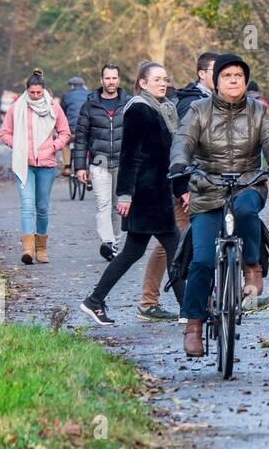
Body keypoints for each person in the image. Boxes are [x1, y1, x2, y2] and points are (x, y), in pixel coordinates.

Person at [170, 54, 269, 356]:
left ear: (246, 81)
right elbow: (183, 140)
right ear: (215, 81)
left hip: (247, 184)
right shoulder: (198, 110)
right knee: (201, 262)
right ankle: (194, 326)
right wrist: (180, 163)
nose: (233, 80)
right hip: (207, 189)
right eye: (227, 76)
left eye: (239, 75)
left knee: (247, 210)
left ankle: (252, 266)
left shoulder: (258, 112)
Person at [80, 62, 186, 325]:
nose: (163, 83)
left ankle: (94, 300)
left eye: (165, 78)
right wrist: (125, 194)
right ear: (142, 83)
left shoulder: (165, 108)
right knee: (174, 245)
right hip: (145, 194)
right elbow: (130, 154)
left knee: (134, 252)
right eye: (157, 79)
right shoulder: (139, 109)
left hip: (158, 191)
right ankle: (190, 310)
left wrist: (181, 187)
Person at [0, 69, 71, 264]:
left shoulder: (54, 107)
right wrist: (17, 144)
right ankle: (28, 250)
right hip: (23, 163)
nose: (36, 96)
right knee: (27, 205)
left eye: (39, 92)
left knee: (42, 207)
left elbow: (65, 132)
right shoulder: (17, 108)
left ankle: (41, 248)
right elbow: (4, 133)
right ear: (27, 90)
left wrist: (53, 147)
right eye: (33, 92)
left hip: (46, 165)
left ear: (44, 90)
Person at [74, 64, 130, 262]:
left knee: (119, 207)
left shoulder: (129, 103)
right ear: (101, 80)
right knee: (103, 204)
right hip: (99, 162)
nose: (111, 82)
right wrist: (79, 166)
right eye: (107, 78)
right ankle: (107, 242)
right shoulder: (90, 105)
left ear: (118, 79)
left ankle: (115, 242)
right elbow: (81, 138)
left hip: (124, 164)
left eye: (114, 78)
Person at [59, 75, 89, 176]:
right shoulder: (90, 95)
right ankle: (89, 167)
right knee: (89, 144)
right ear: (83, 85)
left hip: (72, 130)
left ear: (71, 86)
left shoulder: (67, 96)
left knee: (65, 143)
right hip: (87, 129)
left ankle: (67, 167)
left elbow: (61, 113)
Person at [174, 52, 217, 120]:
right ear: (202, 74)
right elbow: (185, 130)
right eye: (216, 71)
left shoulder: (215, 99)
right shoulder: (191, 103)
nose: (220, 76)